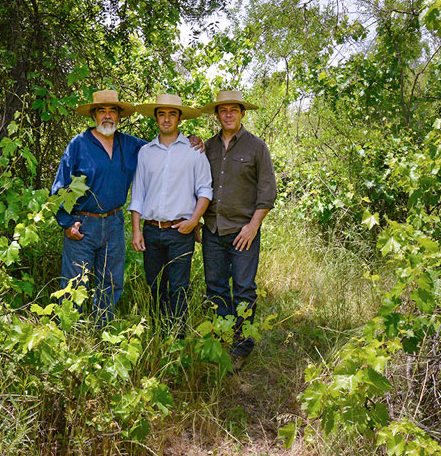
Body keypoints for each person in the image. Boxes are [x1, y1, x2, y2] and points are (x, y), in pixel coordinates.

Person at [51, 89, 204, 325]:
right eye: (102, 111)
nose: (108, 116)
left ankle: (102, 331)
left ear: (120, 116)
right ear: (94, 115)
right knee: (75, 283)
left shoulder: (131, 145)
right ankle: (70, 336)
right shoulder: (79, 145)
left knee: (111, 282)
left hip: (113, 222)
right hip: (82, 223)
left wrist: (192, 138)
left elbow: (165, 148)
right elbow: (59, 188)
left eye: (113, 111)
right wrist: (67, 223)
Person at [199, 90, 276, 367]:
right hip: (213, 230)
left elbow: (267, 193)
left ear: (242, 113)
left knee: (243, 289)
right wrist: (198, 221)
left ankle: (241, 348)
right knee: (215, 287)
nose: (228, 114)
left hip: (243, 231)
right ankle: (222, 338)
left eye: (234, 109)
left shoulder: (257, 148)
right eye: (223, 110)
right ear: (217, 115)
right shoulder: (206, 148)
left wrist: (253, 227)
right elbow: (197, 187)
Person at [128, 94, 212, 331]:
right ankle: (157, 333)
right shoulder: (145, 152)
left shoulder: (194, 150)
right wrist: (136, 230)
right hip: (151, 230)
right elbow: (138, 194)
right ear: (156, 118)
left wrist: (194, 220)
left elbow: (205, 188)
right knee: (154, 285)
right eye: (162, 114)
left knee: (178, 286)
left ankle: (178, 336)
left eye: (172, 114)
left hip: (180, 230)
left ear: (180, 118)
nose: (166, 119)